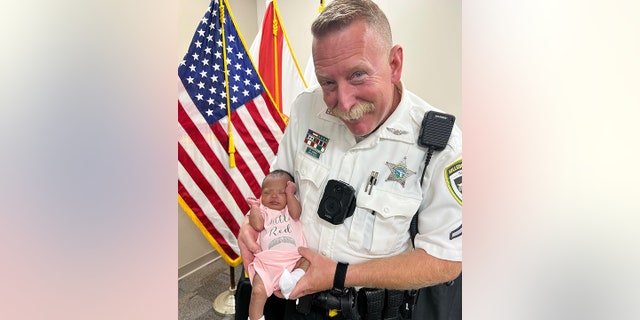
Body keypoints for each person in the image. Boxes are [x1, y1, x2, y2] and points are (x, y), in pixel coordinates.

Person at [239, 0, 462, 318]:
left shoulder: (440, 147)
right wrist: (252, 225)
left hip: (371, 311)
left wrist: (339, 274)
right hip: (292, 297)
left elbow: (448, 259)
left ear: (394, 64)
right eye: (327, 82)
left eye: (358, 75)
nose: (343, 102)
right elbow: (282, 179)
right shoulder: (306, 108)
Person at [246, 170, 308, 320]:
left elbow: (296, 214)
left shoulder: (289, 208)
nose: (274, 196)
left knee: (309, 259)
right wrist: (254, 207)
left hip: (294, 259)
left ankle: (293, 279)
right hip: (268, 262)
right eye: (267, 192)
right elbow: (257, 225)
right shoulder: (264, 211)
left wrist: (290, 194)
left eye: (281, 192)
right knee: (257, 292)